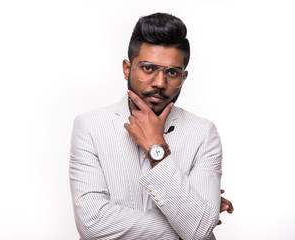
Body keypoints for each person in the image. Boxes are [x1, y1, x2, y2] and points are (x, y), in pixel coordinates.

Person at [70, 12, 233, 240]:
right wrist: (194, 217)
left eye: (172, 73)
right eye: (148, 68)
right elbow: (92, 224)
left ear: (184, 77)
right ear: (128, 69)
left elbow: (199, 233)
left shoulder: (203, 133)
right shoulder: (90, 126)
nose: (159, 83)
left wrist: (157, 149)